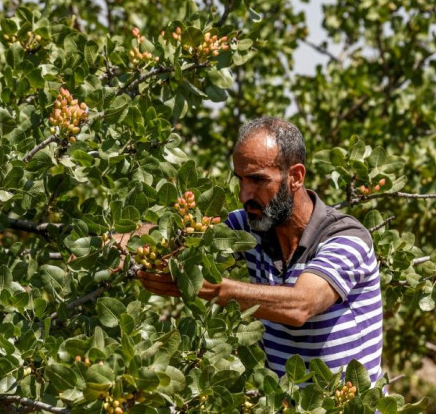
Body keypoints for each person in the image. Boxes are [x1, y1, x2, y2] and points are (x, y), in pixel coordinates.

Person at [138, 117, 383, 383]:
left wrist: (200, 285)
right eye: (241, 179)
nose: (244, 195)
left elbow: (300, 306)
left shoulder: (346, 238)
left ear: (296, 177)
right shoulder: (252, 223)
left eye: (257, 180)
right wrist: (113, 244)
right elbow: (165, 238)